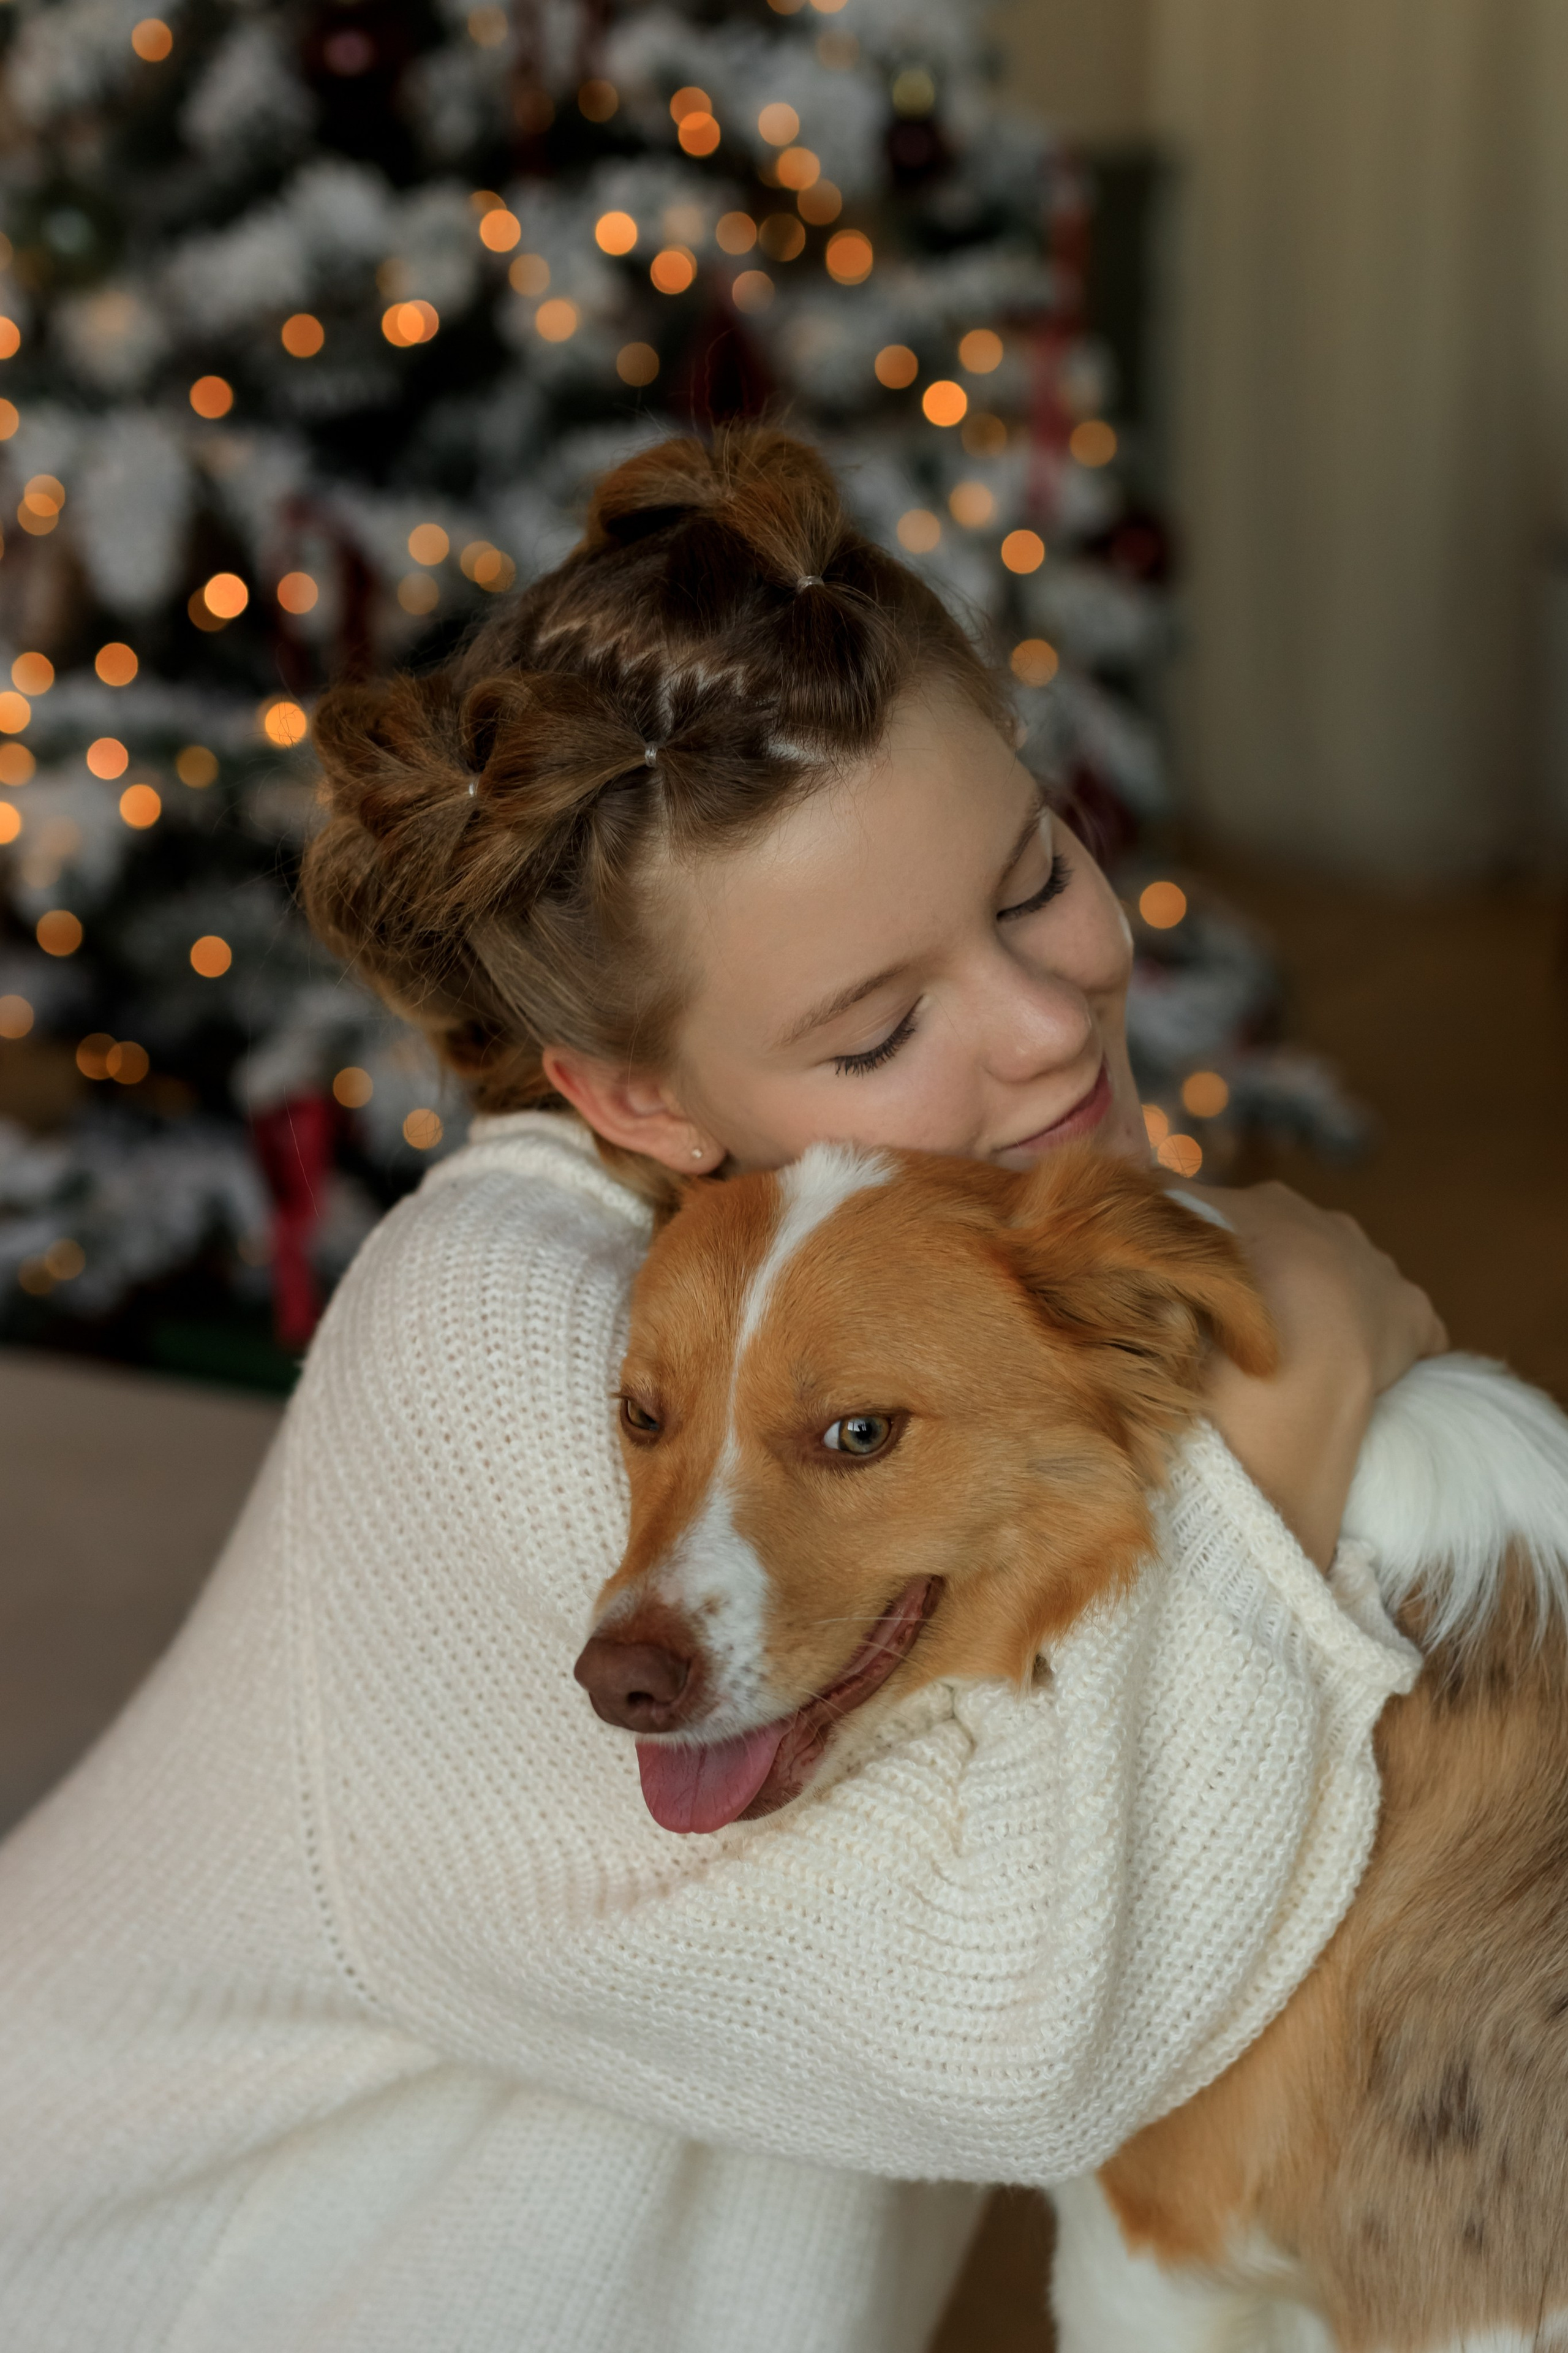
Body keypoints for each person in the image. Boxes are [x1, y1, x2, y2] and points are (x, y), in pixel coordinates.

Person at [0, 429, 1442, 2353]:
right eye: (881, 1027)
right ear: (637, 1102)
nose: (1042, 1025)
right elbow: (1012, 2037)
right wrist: (1303, 1388)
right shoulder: (491, 1341)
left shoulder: (989, 1270)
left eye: (1035, 881)